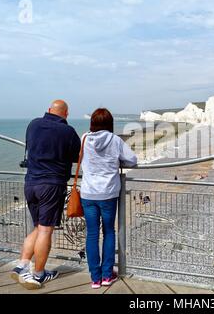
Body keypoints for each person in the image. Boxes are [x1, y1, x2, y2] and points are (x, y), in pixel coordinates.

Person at [10, 100, 81, 290]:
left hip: (30, 183)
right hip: (51, 185)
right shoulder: (68, 132)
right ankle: (39, 274)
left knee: (38, 227)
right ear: (66, 114)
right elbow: (77, 155)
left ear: (49, 111)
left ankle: (21, 265)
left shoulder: (33, 124)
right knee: (45, 230)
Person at [80, 108, 137, 289]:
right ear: (110, 124)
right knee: (109, 232)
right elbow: (132, 160)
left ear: (92, 124)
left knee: (92, 234)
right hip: (108, 194)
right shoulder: (115, 140)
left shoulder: (84, 138)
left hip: (88, 193)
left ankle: (95, 278)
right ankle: (107, 275)